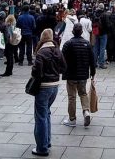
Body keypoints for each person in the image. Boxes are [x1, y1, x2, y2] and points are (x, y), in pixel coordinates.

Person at [31, 28, 66, 157]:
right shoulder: (57, 50)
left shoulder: (41, 52)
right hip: (55, 86)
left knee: (40, 116)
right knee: (47, 113)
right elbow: (64, 67)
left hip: (44, 86)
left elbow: (37, 72)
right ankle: (47, 142)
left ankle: (42, 148)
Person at [60, 23, 96, 127]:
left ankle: (72, 119)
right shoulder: (87, 44)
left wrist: (62, 71)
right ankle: (86, 111)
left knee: (72, 97)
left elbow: (62, 60)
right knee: (83, 93)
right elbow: (92, 61)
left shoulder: (68, 44)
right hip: (83, 75)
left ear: (72, 31)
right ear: (81, 32)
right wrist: (93, 73)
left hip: (71, 75)